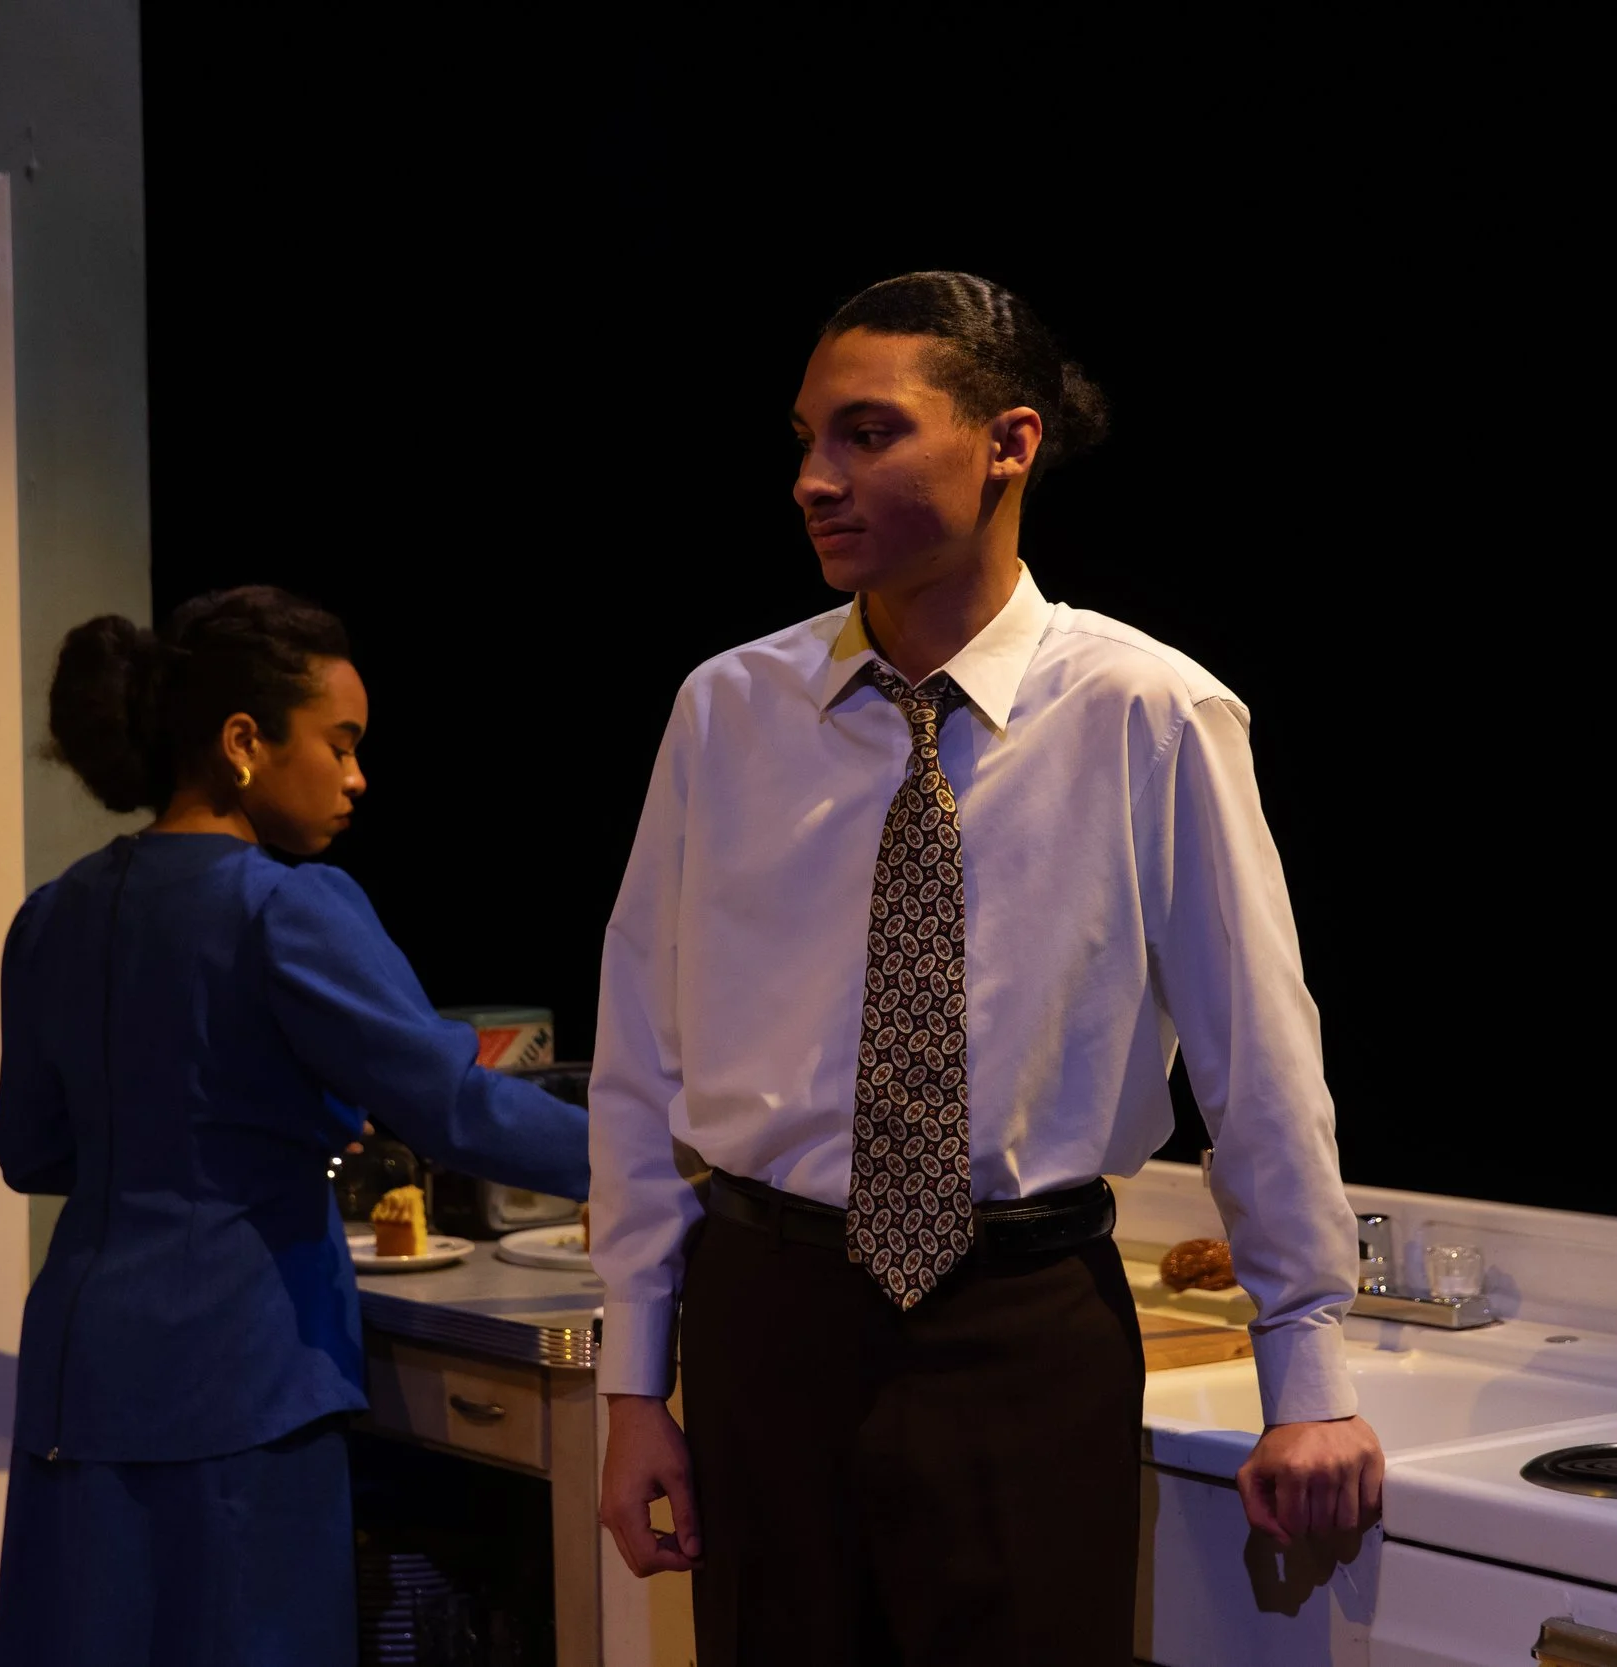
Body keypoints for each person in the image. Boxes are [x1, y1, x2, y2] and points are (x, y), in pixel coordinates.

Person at [590, 272, 1381, 1664]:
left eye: (868, 434)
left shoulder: (1149, 710)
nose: (813, 479)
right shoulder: (728, 710)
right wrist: (633, 1383)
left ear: (1009, 442)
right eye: (806, 438)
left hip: (1023, 1326)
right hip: (765, 1318)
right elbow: (639, 1056)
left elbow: (1260, 1057)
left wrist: (1303, 1370)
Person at [0, 586, 590, 1666]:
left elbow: (31, 1150)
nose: (357, 776)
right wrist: (663, 1156)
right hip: (236, 1370)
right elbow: (456, 1106)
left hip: (77, 1375)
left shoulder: (55, 910)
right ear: (242, 743)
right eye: (341, 743)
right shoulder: (286, 904)